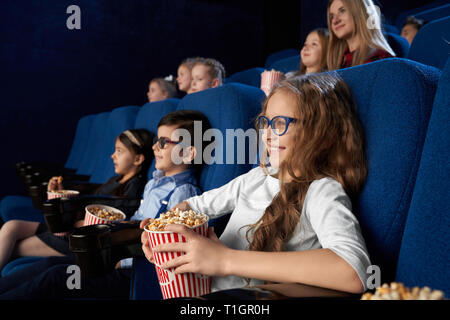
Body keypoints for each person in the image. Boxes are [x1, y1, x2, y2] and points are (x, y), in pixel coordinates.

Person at [141, 73, 372, 295]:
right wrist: (160, 234)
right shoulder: (257, 177)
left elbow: (354, 271)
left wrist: (225, 260)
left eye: (281, 123)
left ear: (322, 133)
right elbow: (193, 207)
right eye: (265, 122)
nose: (267, 135)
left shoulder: (321, 189)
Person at [0, 110, 212, 300]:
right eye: (157, 140)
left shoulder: (184, 195)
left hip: (131, 270)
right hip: (112, 251)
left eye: (164, 142)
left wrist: (121, 256)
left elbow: (169, 246)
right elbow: (136, 222)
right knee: (51, 265)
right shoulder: (155, 183)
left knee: (56, 277)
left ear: (188, 153)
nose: (155, 147)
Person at [0, 129, 153, 272]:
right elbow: (92, 198)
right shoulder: (116, 179)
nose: (112, 155)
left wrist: (80, 220)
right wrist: (60, 192)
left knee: (11, 248)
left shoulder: (135, 189)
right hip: (69, 228)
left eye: (119, 151)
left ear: (138, 159)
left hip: (75, 239)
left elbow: (113, 219)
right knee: (12, 226)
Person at [327, 0, 395, 70]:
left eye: (342, 11)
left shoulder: (381, 58)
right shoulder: (341, 61)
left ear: (361, 12)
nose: (335, 21)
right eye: (332, 17)